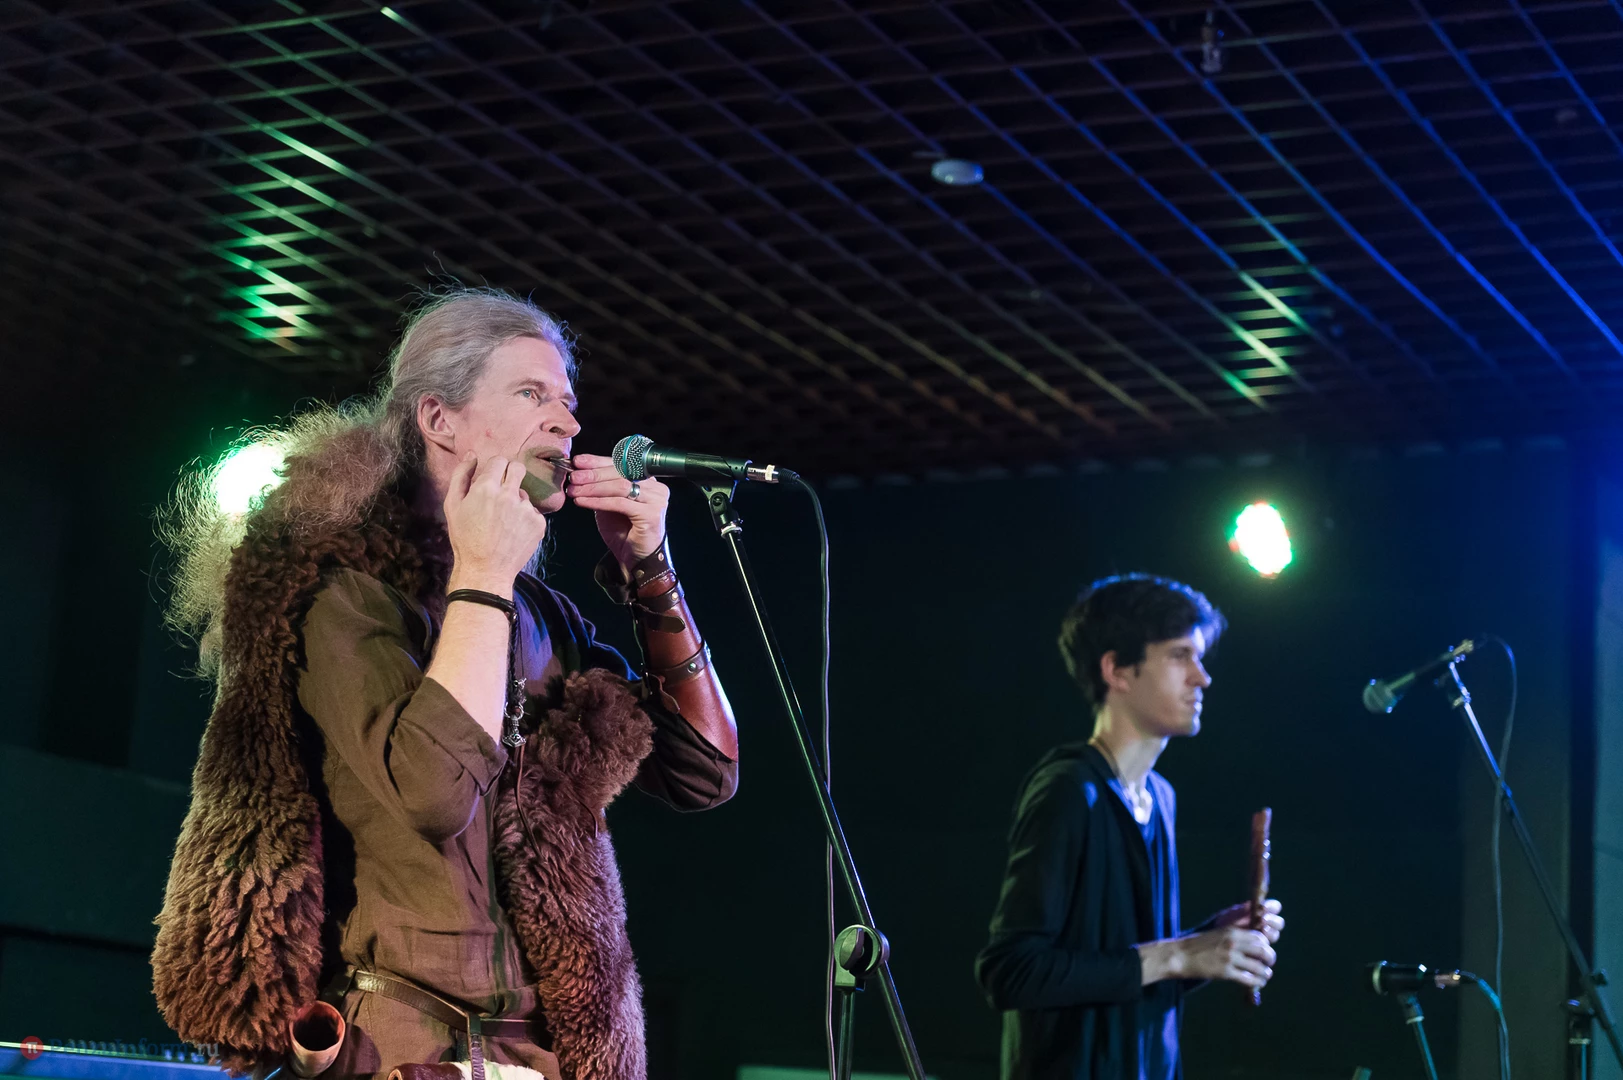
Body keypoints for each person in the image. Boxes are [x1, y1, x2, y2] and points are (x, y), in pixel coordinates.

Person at [151, 287, 736, 1080]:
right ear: (439, 419)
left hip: (552, 1055)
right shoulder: (345, 597)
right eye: (530, 394)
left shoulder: (543, 617)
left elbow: (704, 772)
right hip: (399, 1046)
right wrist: (484, 573)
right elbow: (432, 794)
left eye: (567, 402)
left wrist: (650, 569)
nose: (566, 424)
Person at [975, 574, 1284, 1080]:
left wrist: (1210, 944)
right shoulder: (1069, 790)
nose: (1202, 678)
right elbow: (1010, 971)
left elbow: (1123, 970)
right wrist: (1181, 954)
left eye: (1199, 657)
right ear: (1117, 669)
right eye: (1180, 656)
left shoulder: (1160, 797)